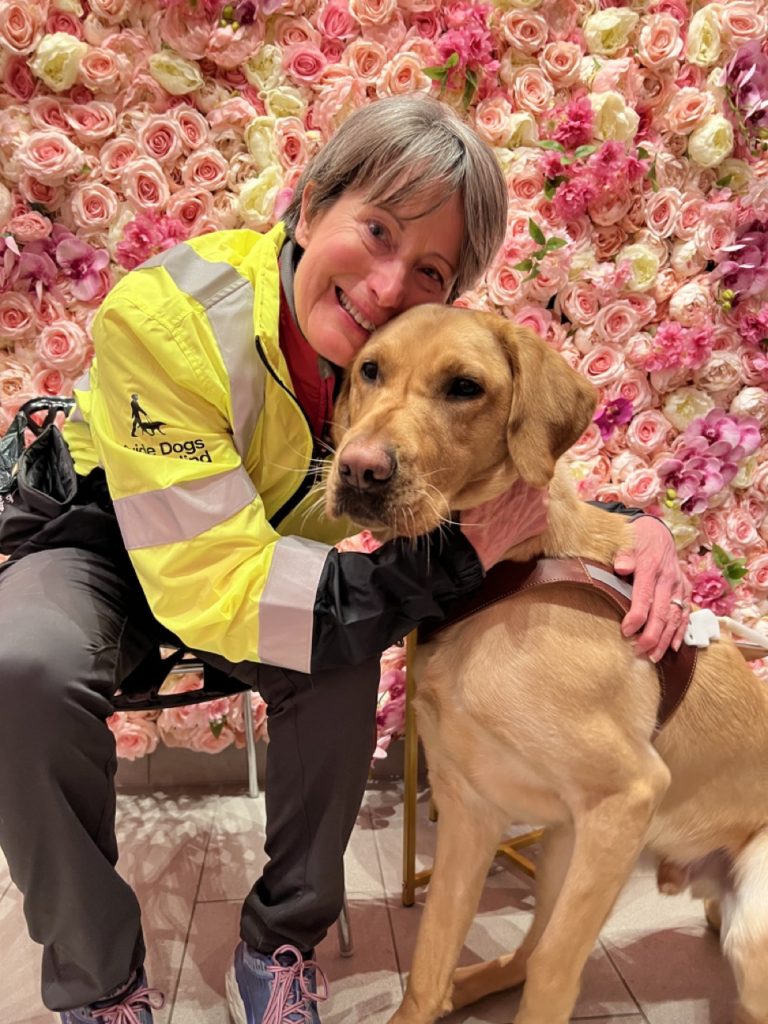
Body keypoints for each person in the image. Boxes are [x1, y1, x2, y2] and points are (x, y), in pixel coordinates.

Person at [0, 95, 689, 1024]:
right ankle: (98, 983)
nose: (387, 283)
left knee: (338, 652)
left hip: (268, 566)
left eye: (430, 269)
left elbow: (494, 450)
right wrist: (436, 572)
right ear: (310, 202)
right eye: (375, 229)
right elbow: (219, 586)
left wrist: (631, 522)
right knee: (22, 667)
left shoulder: (389, 354)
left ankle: (280, 943)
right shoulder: (168, 314)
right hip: (106, 545)